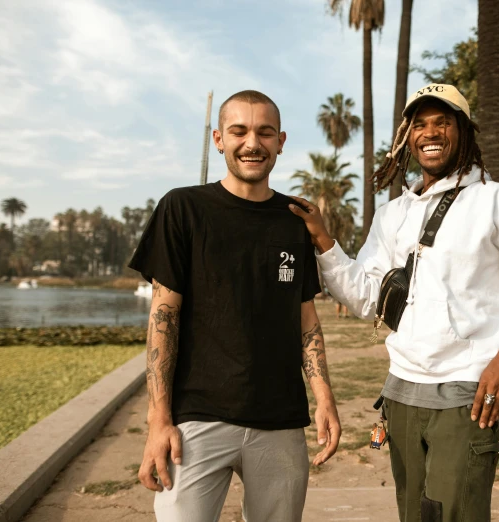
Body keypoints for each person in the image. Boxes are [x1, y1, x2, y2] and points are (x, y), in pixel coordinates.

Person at [289, 83, 499, 522]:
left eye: (443, 121)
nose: (431, 132)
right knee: (414, 514)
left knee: (456, 514)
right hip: (400, 392)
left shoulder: (498, 201)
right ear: (407, 137)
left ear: (463, 130)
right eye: (420, 124)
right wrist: (324, 239)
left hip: (466, 392)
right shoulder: (393, 215)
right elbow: (367, 298)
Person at [128, 90, 340, 522]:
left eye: (264, 132)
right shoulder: (182, 208)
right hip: (196, 420)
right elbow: (163, 316)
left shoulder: (295, 219)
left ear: (280, 141)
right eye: (239, 131)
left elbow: (305, 320)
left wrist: (324, 397)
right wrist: (158, 420)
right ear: (218, 139)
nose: (252, 143)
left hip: (280, 420)